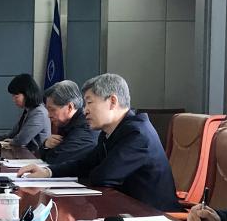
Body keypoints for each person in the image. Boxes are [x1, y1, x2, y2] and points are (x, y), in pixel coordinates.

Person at [18, 73, 179, 212]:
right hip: (127, 211)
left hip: (155, 217)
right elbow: (85, 164)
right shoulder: (110, 132)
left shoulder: (137, 134)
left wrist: (90, 170)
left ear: (112, 101)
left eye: (89, 102)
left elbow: (103, 177)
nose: (85, 110)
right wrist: (47, 172)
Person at [38, 79, 97, 165]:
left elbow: (58, 159)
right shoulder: (66, 124)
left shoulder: (86, 126)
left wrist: (49, 151)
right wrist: (45, 145)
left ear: (70, 107)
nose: (49, 115)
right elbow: (46, 156)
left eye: (52, 110)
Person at [0, 73, 50, 152]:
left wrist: (10, 141)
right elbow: (12, 134)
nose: (13, 100)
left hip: (35, 156)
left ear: (27, 94)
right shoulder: (29, 110)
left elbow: (22, 140)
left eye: (16, 97)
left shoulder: (39, 113)